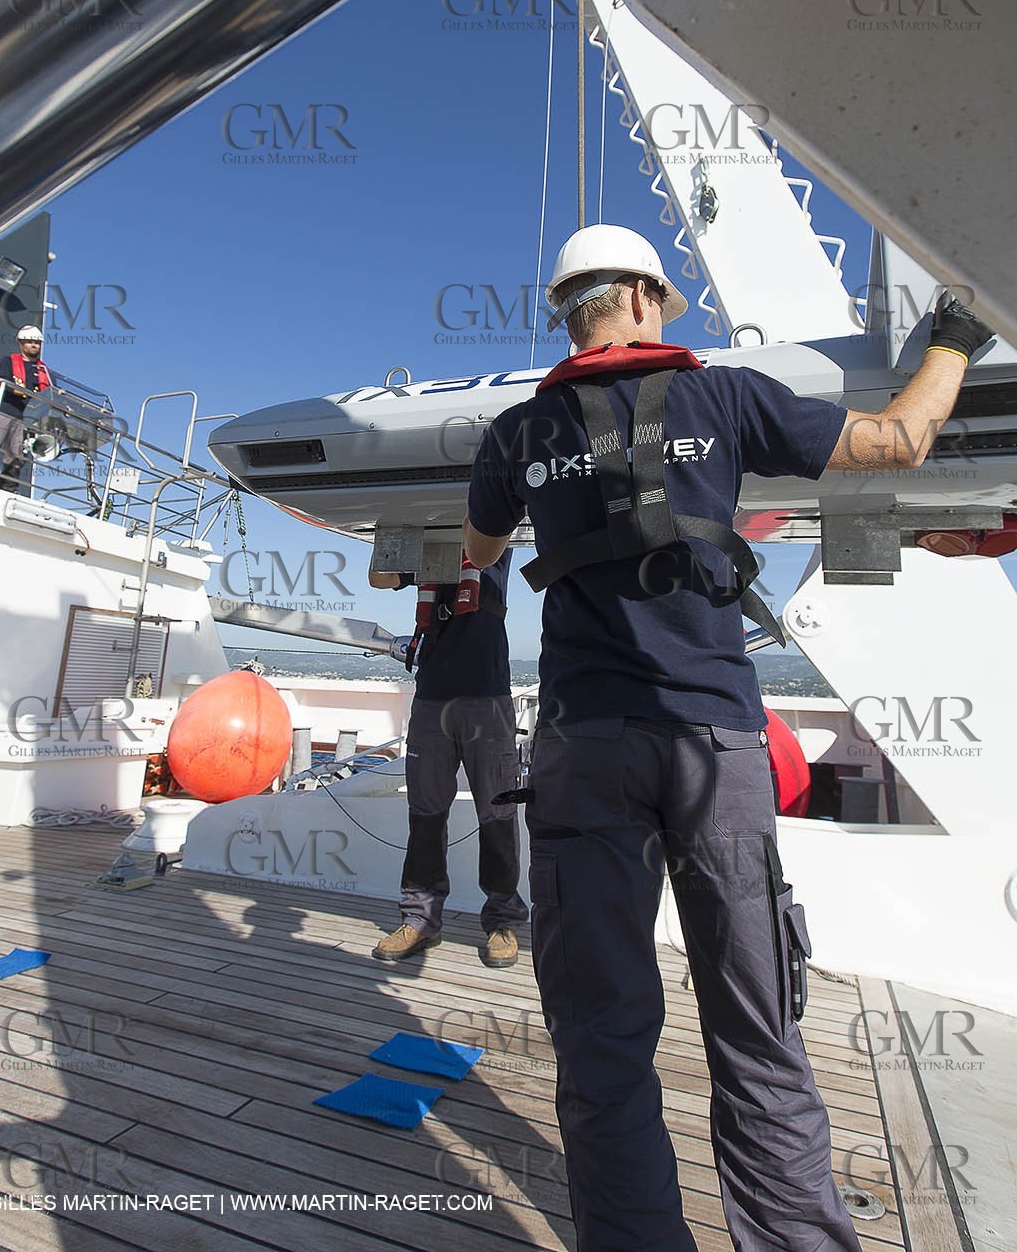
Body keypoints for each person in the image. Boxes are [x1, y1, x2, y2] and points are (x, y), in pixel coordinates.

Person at [462, 222, 994, 1252]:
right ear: (646, 300)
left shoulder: (515, 432)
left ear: (568, 313)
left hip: (583, 750)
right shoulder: (724, 396)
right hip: (714, 743)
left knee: (601, 1042)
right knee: (757, 1032)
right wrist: (954, 342)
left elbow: (480, 547)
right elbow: (895, 444)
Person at [369, 549, 529, 967]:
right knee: (425, 815)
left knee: (498, 815)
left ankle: (503, 920)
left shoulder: (494, 539)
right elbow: (380, 578)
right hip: (432, 697)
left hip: (487, 696)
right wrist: (392, 532)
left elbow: (499, 517)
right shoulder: (428, 546)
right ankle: (420, 920)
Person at [0, 325, 52, 491]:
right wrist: (19, 391)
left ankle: (7, 489)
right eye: (29, 342)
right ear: (21, 343)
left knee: (16, 456)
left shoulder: (44, 371)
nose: (34, 345)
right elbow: (0, 381)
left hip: (26, 419)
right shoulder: (9, 361)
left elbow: (49, 394)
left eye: (37, 342)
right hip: (3, 411)